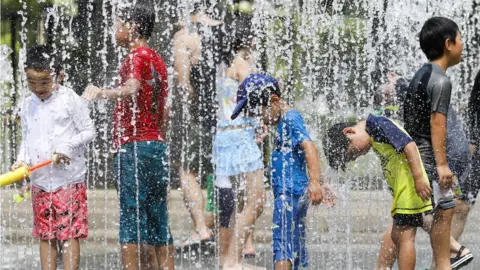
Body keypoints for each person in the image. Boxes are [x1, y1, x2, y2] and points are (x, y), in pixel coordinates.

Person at [82, 2, 174, 269]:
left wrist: (102, 93)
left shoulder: (135, 57)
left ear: (132, 28)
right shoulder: (157, 59)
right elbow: (165, 111)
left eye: (118, 24)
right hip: (156, 146)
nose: (114, 29)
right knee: (158, 218)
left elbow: (132, 88)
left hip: (133, 147)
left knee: (132, 219)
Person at [231, 74, 336, 270]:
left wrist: (315, 181)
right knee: (295, 244)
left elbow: (310, 148)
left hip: (288, 194)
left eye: (259, 112)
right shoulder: (285, 119)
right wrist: (322, 182)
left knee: (282, 246)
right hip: (293, 192)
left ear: (275, 100)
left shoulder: (290, 119)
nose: (259, 118)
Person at [375, 71, 474, 269]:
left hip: (440, 156)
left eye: (385, 91)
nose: (384, 97)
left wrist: (399, 82)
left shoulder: (411, 88)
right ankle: (447, 257)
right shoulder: (425, 88)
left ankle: (454, 250)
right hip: (449, 155)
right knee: (428, 212)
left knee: (405, 216)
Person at [12, 44, 95, 270]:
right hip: (40, 182)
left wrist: (67, 146)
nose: (38, 88)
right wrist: (21, 160)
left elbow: (89, 130)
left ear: (59, 75)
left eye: (44, 82)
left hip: (68, 180)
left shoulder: (69, 99)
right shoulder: (27, 104)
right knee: (45, 234)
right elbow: (27, 138)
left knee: (68, 234)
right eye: (31, 81)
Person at [323, 115, 433, 270]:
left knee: (405, 238)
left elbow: (409, 145)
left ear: (350, 131)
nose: (358, 156)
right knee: (397, 235)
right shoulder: (373, 131)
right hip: (403, 191)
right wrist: (326, 182)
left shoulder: (377, 124)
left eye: (353, 153)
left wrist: (419, 178)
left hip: (409, 189)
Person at [403, 17, 465, 269]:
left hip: (416, 161)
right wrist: (442, 166)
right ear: (449, 44)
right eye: (460, 40)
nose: (463, 46)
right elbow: (437, 123)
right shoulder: (441, 80)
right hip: (430, 164)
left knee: (405, 227)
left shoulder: (421, 73)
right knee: (440, 226)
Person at [171, 1, 224, 248]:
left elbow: (183, 82)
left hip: (200, 117)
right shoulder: (226, 30)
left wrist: (187, 101)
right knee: (218, 172)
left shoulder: (185, 37)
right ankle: (230, 233)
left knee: (187, 171)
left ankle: (202, 228)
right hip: (229, 119)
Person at [214, 37, 265, 269]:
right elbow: (252, 91)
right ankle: (232, 261)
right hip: (241, 137)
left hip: (225, 137)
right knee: (257, 201)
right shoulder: (241, 63)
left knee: (237, 204)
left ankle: (227, 260)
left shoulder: (223, 66)